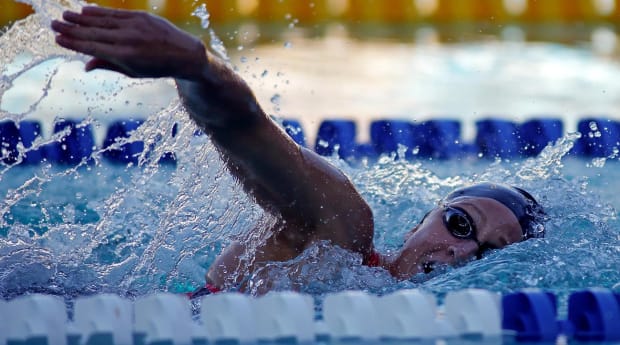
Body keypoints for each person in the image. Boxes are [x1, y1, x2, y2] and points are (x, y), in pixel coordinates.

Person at [50, 6, 546, 294]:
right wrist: (197, 65)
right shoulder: (341, 235)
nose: (460, 251)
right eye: (460, 224)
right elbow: (243, 129)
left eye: (486, 255)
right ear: (422, 219)